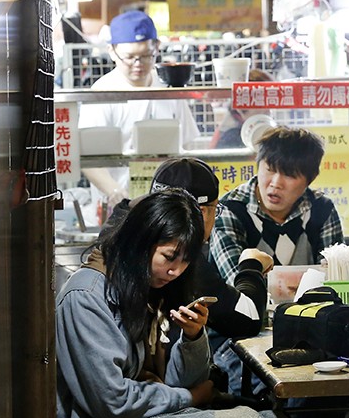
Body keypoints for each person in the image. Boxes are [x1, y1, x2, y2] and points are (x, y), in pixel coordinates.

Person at [55, 189, 286, 418]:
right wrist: (190, 396)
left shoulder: (142, 289)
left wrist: (192, 337)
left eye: (186, 261)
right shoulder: (86, 297)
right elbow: (111, 401)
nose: (176, 270)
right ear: (141, 241)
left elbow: (180, 382)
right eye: (169, 256)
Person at [102, 157, 276, 396]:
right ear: (200, 212)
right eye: (216, 209)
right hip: (142, 400)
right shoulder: (176, 254)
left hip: (154, 389)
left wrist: (193, 335)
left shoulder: (121, 228)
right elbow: (247, 319)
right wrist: (251, 265)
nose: (175, 270)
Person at [78, 10, 201, 205]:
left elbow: (189, 146)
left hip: (167, 204)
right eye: (130, 57)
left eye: (146, 56)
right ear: (112, 51)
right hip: (117, 207)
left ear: (157, 47)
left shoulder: (167, 89)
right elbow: (88, 158)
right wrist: (116, 192)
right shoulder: (102, 94)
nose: (138, 64)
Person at [209, 125, 343, 285]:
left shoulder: (322, 210)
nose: (276, 183)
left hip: (312, 308)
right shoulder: (230, 210)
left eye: (289, 175)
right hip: (245, 309)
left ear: (310, 179)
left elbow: (335, 280)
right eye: (270, 170)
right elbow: (239, 284)